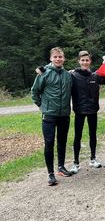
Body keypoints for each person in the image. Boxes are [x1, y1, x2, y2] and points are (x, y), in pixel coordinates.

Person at [31, 47, 72, 186]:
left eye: (60, 57)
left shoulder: (67, 75)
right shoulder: (44, 73)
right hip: (49, 115)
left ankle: (61, 167)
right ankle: (50, 174)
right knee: (49, 143)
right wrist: (42, 107)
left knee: (62, 141)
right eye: (55, 57)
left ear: (64, 58)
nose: (58, 59)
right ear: (51, 58)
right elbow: (34, 91)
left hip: (64, 114)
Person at [70, 50, 105, 173]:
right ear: (79, 61)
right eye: (83, 60)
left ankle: (93, 158)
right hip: (79, 110)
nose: (85, 62)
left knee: (93, 134)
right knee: (77, 136)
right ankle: (76, 162)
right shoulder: (72, 75)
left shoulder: (95, 76)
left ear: (90, 61)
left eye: (87, 60)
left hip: (92, 110)